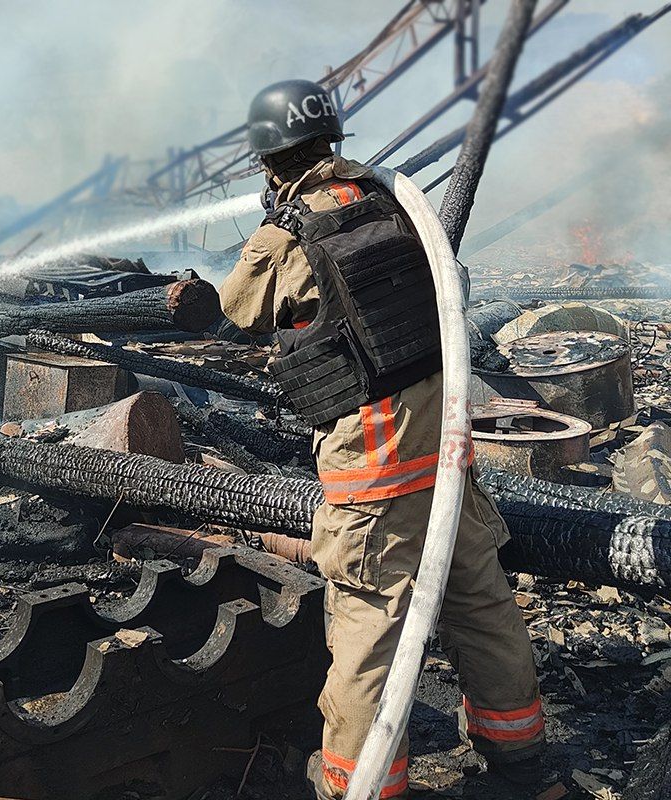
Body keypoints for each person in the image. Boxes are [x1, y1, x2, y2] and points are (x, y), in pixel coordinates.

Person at [218, 79, 544, 799]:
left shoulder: (289, 236)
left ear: (269, 160)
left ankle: (356, 785)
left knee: (367, 631)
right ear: (332, 140)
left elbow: (237, 310)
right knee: (479, 603)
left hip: (374, 475)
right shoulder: (400, 204)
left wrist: (271, 226)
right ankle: (519, 759)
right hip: (449, 461)